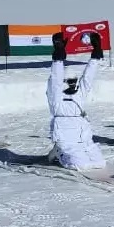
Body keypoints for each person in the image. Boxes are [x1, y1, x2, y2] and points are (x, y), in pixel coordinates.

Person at [46, 32, 106, 170]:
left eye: (74, 81)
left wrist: (96, 53)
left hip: (82, 133)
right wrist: (59, 55)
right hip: (65, 135)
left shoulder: (80, 93)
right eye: (70, 82)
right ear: (63, 82)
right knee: (81, 165)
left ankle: (76, 153)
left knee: (99, 163)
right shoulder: (56, 94)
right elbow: (56, 76)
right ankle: (58, 152)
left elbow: (88, 77)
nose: (73, 85)